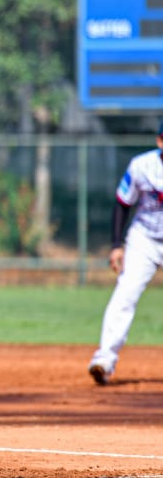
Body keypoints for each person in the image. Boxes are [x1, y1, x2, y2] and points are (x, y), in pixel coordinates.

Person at [88, 120, 163, 385]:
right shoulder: (141, 166)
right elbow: (122, 203)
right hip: (144, 240)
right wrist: (116, 245)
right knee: (125, 294)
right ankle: (104, 360)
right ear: (160, 141)